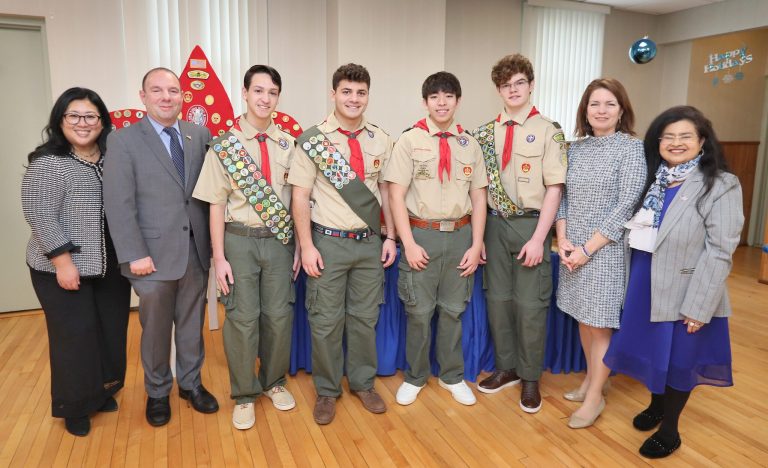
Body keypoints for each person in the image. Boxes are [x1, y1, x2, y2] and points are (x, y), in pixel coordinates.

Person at [604, 105, 743, 458]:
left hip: (689, 288)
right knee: (654, 352)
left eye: (685, 136)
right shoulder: (654, 179)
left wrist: (700, 307)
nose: (676, 143)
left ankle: (670, 428)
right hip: (645, 280)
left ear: (702, 142)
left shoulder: (721, 184)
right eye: (668, 137)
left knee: (680, 360)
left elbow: (720, 251)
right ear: (657, 142)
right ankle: (656, 405)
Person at [104, 67, 219, 427]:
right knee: (154, 331)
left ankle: (190, 384)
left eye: (173, 90)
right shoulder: (123, 141)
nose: (166, 97)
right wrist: (134, 252)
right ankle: (157, 392)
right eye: (157, 90)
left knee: (191, 324)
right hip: (149, 258)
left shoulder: (199, 134)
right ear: (143, 97)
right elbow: (118, 202)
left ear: (183, 96)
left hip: (195, 252)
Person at [289, 63, 396, 425]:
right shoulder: (314, 139)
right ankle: (327, 390)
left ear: (368, 96)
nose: (354, 99)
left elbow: (385, 191)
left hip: (368, 244)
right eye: (347, 92)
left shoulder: (381, 138)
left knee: (366, 319)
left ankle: (363, 383)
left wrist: (391, 236)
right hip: (328, 242)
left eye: (361, 92)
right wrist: (306, 246)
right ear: (333, 93)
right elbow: (300, 196)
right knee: (325, 321)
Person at [192, 65, 299, 430]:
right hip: (238, 241)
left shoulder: (289, 144)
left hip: (280, 243)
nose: (265, 99)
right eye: (258, 91)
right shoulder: (226, 146)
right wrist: (218, 257)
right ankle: (244, 394)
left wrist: (298, 245)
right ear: (245, 93)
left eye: (272, 92)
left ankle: (273, 381)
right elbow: (216, 205)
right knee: (241, 319)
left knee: (279, 316)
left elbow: (298, 200)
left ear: (278, 97)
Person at [21, 87, 131, 436]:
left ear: (102, 122)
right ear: (60, 121)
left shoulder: (112, 157)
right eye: (74, 116)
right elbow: (39, 215)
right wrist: (62, 263)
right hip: (61, 264)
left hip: (110, 263)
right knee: (75, 336)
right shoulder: (49, 163)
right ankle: (75, 405)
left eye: (91, 117)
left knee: (110, 330)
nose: (83, 124)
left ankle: (101, 391)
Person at [384, 71, 487, 407]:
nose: (441, 103)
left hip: (459, 235)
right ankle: (415, 377)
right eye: (434, 97)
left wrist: (475, 243)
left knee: (454, 311)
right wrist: (407, 243)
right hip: (421, 234)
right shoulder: (409, 141)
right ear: (425, 102)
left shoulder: (469, 144)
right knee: (418, 311)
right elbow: (395, 195)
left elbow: (479, 197)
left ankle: (452, 375)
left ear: (458, 100)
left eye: (448, 96)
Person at [472, 54, 565, 414]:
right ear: (498, 89)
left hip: (531, 224)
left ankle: (529, 377)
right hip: (494, 225)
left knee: (530, 306)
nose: (513, 90)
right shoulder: (484, 133)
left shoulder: (548, 130)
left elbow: (555, 188)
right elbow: (478, 190)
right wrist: (479, 238)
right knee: (498, 301)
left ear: (530, 85)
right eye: (506, 85)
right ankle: (507, 367)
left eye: (519, 83)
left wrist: (541, 238)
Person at [554, 78, 646, 428]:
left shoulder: (631, 149)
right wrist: (563, 240)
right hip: (571, 249)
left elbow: (627, 205)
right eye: (595, 104)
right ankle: (593, 379)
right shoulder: (575, 149)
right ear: (585, 110)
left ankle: (595, 396)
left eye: (610, 104)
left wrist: (587, 249)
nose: (602, 110)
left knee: (600, 324)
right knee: (583, 318)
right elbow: (561, 196)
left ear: (621, 109)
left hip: (604, 250)